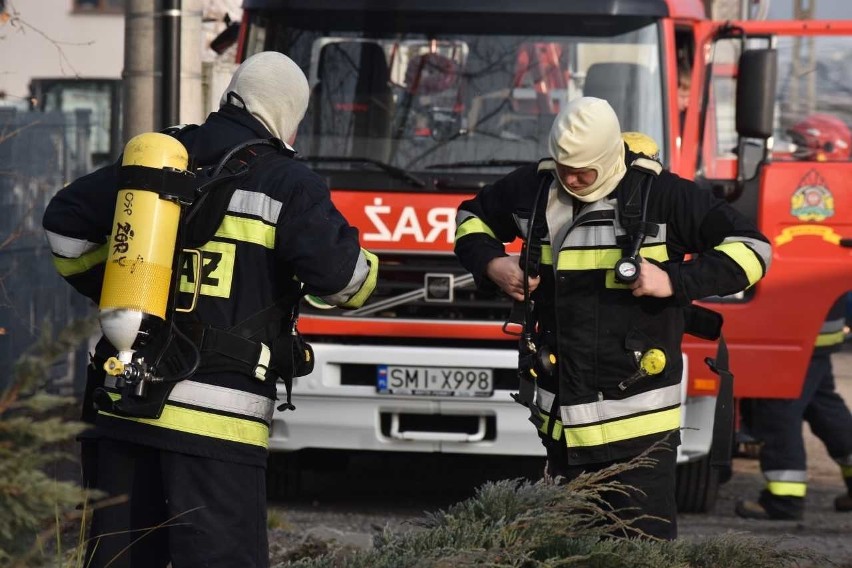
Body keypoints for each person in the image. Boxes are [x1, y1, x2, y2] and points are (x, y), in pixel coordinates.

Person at [42, 51, 378, 567]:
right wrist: (368, 265)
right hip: (218, 427)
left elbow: (65, 229)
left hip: (124, 404)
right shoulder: (289, 182)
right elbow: (342, 283)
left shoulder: (160, 157)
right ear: (289, 111)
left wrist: (120, 291)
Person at [453, 96, 771, 540]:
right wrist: (492, 264)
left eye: (584, 171)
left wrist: (673, 280)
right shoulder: (535, 187)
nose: (572, 179)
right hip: (560, 426)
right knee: (568, 551)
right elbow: (471, 219)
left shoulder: (665, 196)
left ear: (609, 156)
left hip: (638, 433)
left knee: (641, 553)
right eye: (564, 168)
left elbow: (754, 249)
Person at [735, 114, 852, 521]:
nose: (792, 153)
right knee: (824, 404)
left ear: (823, 150)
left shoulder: (814, 186)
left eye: (801, 147)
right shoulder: (843, 187)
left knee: (776, 404)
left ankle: (784, 498)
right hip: (821, 320)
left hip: (798, 320)